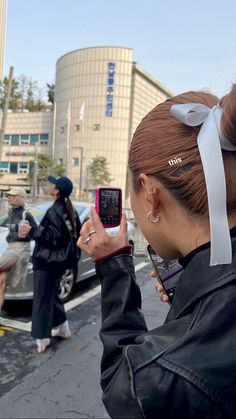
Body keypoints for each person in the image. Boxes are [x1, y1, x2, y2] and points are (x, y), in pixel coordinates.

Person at [78, 84, 236, 418]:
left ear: (150, 193)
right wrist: (194, 293)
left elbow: (125, 384)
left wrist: (113, 267)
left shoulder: (168, 373)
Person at [29, 176, 82, 354]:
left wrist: (33, 229)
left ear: (57, 190)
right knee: (50, 294)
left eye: (52, 184)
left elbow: (51, 238)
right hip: (61, 262)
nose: (50, 186)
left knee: (42, 297)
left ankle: (42, 338)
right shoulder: (70, 210)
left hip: (46, 262)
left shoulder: (54, 211)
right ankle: (62, 327)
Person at [0, 187, 37, 317]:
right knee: (1, 282)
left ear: (19, 198)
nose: (9, 197)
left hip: (20, 249)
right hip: (11, 247)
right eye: (9, 195)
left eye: (13, 195)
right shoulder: (10, 212)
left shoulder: (26, 215)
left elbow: (37, 232)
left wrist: (29, 231)